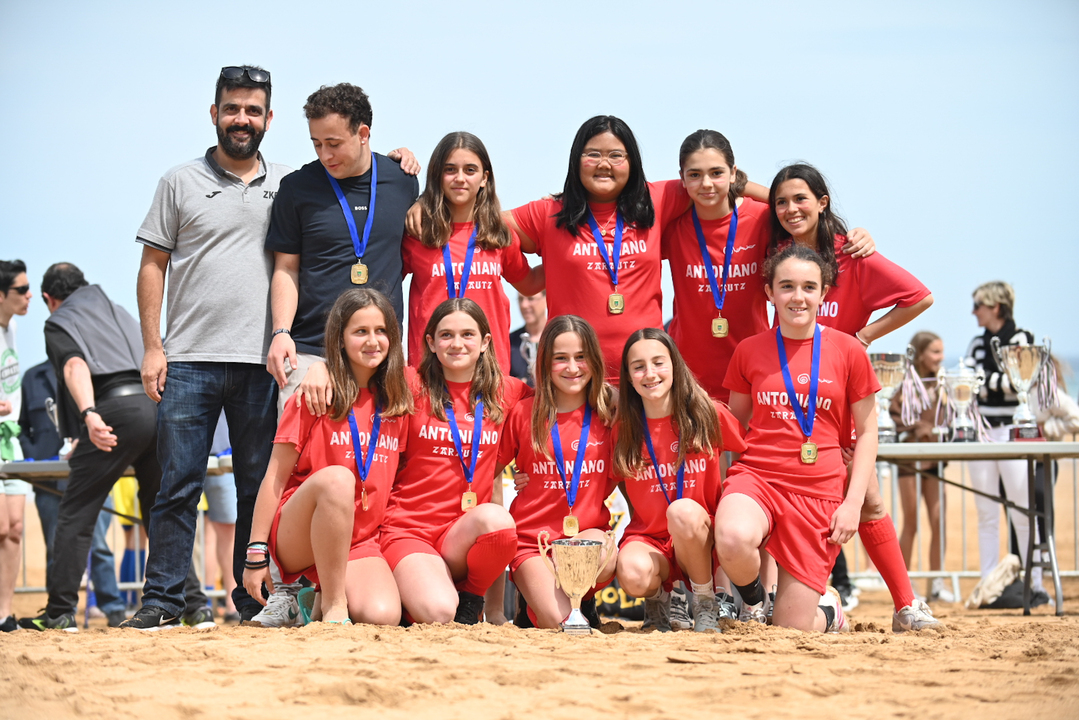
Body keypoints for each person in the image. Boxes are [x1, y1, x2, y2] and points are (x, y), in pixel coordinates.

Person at [127, 65, 289, 628]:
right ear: (214, 113)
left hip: (261, 363)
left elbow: (350, 175)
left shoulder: (289, 183)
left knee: (255, 488)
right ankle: (163, 603)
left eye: (252, 110)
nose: (242, 119)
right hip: (188, 359)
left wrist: (396, 160)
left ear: (269, 118)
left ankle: (252, 603)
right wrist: (153, 347)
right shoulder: (178, 181)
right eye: (232, 108)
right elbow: (152, 265)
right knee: (176, 487)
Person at [767, 163, 939, 631]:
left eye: (801, 199)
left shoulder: (853, 254)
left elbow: (920, 297)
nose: (790, 209)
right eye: (781, 202)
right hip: (784, 402)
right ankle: (790, 601)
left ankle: (905, 605)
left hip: (837, 403)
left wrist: (863, 336)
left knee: (869, 502)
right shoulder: (778, 252)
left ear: (823, 202)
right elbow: (739, 189)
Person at [19, 263, 209, 631]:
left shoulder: (59, 321)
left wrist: (88, 413)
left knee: (75, 511)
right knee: (163, 511)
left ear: (49, 299)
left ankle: (59, 611)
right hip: (158, 408)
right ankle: (196, 606)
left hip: (115, 412)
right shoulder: (119, 311)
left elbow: (74, 366)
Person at [716, 244, 879, 633]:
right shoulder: (748, 350)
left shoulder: (849, 350)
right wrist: (725, 488)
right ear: (769, 293)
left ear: (824, 293)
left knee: (793, 629)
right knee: (733, 537)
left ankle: (830, 612)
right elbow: (733, 429)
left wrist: (852, 504)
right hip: (759, 479)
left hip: (818, 492)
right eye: (786, 286)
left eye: (809, 287)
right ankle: (755, 601)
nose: (798, 297)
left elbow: (868, 432)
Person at [244, 289, 410, 625]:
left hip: (358, 538)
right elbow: (275, 475)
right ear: (341, 338)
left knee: (383, 616)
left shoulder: (398, 400)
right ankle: (334, 606)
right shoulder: (314, 395)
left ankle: (315, 598)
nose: (372, 341)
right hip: (300, 532)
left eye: (380, 331)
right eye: (360, 331)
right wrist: (255, 552)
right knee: (338, 479)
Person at [265, 82, 421, 413]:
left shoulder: (402, 180)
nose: (325, 155)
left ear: (363, 133)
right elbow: (286, 268)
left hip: (380, 356)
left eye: (334, 144)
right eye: (317, 144)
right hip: (310, 353)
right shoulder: (296, 188)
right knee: (300, 449)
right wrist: (281, 332)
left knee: (379, 448)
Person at [507, 115, 691, 380]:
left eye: (616, 155)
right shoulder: (550, 212)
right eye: (593, 154)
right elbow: (486, 222)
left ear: (632, 162)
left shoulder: (657, 200)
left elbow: (718, 184)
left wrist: (757, 191)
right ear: (576, 160)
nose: (604, 164)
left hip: (644, 377)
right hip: (574, 377)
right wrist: (529, 278)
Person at [380, 299, 527, 624]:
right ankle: (409, 590)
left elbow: (558, 405)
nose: (457, 344)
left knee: (498, 521)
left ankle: (471, 599)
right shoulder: (409, 383)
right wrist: (320, 369)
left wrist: (532, 472)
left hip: (461, 536)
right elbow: (357, 371)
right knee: (438, 611)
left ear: (485, 341)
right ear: (431, 342)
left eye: (467, 334)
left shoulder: (507, 392)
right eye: (446, 335)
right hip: (409, 530)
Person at [612, 328, 747, 633]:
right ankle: (659, 600)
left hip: (701, 535)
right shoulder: (624, 429)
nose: (650, 373)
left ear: (675, 364)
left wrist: (734, 500)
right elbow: (605, 479)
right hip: (651, 540)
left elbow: (751, 452)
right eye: (638, 366)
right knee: (632, 573)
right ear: (628, 377)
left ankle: (704, 601)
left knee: (682, 512)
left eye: (658, 362)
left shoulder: (707, 413)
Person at [497, 315, 617, 629]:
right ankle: (534, 601)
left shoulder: (609, 413)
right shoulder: (524, 413)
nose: (572, 367)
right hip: (532, 543)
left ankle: (583, 598)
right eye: (560, 358)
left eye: (581, 357)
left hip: (584, 537)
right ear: (545, 363)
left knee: (603, 553)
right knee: (562, 625)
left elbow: (630, 477)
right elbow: (489, 470)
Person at [402, 132, 543, 372]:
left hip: (488, 371)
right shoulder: (418, 231)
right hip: (430, 371)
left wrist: (566, 254)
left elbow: (529, 284)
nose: (460, 178)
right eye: (450, 170)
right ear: (437, 175)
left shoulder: (498, 232)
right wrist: (394, 163)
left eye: (470, 170)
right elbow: (383, 282)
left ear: (484, 178)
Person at [19, 360, 126, 624]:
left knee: (99, 546)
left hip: (92, 474)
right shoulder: (32, 377)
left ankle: (113, 608)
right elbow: (23, 427)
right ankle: (58, 610)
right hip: (48, 481)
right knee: (55, 547)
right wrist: (37, 456)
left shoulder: (93, 371)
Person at [964, 280, 1049, 605]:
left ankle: (1035, 583)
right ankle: (990, 584)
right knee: (985, 512)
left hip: (1014, 430)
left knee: (1023, 511)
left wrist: (985, 382)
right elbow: (970, 384)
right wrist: (994, 383)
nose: (974, 312)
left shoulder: (1022, 338)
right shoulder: (976, 343)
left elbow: (1019, 384)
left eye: (978, 306)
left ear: (995, 307)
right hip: (983, 433)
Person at [890, 331, 952, 602]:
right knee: (911, 522)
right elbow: (894, 418)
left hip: (935, 460)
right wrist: (919, 427)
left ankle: (936, 583)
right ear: (920, 354)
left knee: (939, 522)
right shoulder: (904, 385)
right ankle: (905, 585)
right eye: (935, 352)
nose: (940, 358)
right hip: (909, 462)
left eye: (941, 351)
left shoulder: (944, 385)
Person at [0, 259, 31, 632]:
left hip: (11, 438)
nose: (28, 296)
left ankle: (4, 614)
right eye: (21, 290)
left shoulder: (14, 328)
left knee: (15, 528)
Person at [509, 291, 546, 386]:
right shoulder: (509, 342)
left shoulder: (558, 339)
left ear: (546, 299)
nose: (524, 305)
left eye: (531, 299)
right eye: (520, 299)